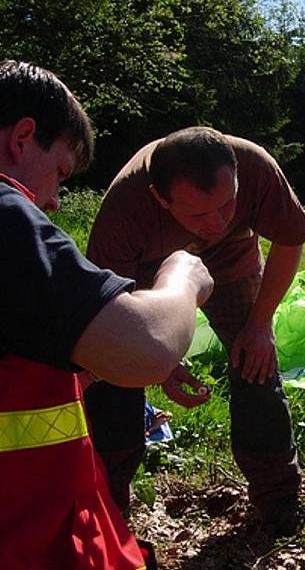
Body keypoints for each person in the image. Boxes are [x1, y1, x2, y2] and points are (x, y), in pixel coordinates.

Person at [0, 59, 213, 568]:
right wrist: (182, 278)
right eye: (61, 172)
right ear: (24, 138)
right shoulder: (7, 216)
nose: (52, 201)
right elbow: (145, 347)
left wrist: (92, 356)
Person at [85, 125, 305, 535]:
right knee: (115, 375)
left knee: (256, 364)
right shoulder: (124, 210)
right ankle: (109, 507)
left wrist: (259, 325)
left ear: (237, 177)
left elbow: (289, 241)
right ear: (160, 198)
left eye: (227, 205)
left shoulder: (257, 166)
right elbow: (110, 322)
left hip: (232, 265)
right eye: (197, 214)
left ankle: (279, 500)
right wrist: (160, 362)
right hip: (147, 278)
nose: (216, 222)